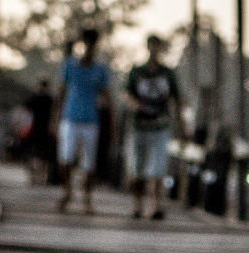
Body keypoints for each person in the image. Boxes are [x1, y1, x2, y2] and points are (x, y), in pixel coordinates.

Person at [124, 34, 184, 220]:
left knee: (157, 170)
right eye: (152, 46)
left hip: (160, 126)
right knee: (137, 169)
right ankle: (137, 205)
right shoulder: (137, 72)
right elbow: (126, 94)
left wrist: (182, 127)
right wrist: (135, 105)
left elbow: (176, 100)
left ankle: (155, 206)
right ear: (148, 47)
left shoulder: (168, 73)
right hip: (139, 126)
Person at [56, 28, 111, 214]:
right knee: (66, 159)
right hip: (70, 117)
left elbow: (106, 96)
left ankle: (87, 199)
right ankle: (67, 190)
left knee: (89, 163)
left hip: (91, 121)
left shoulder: (101, 69)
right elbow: (60, 92)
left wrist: (112, 120)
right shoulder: (70, 65)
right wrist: (53, 119)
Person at [23, 79, 54, 184]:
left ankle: (37, 178)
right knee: (38, 156)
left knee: (40, 156)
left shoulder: (45, 99)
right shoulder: (37, 99)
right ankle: (36, 177)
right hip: (37, 130)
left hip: (41, 130)